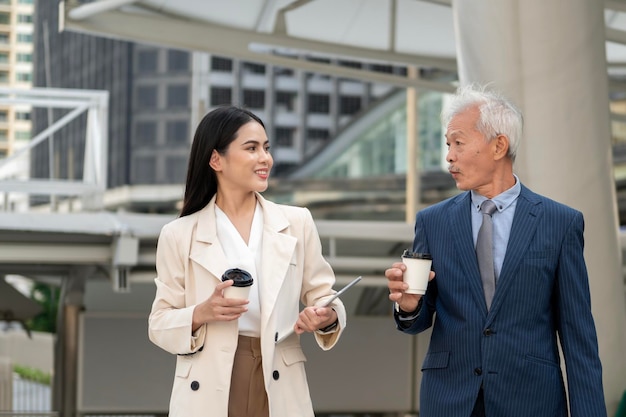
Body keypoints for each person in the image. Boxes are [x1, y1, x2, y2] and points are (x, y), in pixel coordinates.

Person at [385, 84, 607, 417]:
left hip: (532, 400)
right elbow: (418, 321)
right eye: (448, 144)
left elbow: (579, 337)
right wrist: (409, 306)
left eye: (459, 143)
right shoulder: (433, 222)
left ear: (498, 145)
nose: (449, 155)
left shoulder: (560, 223)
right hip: (450, 400)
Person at [148, 105, 346, 417]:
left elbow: (324, 295)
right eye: (251, 148)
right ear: (216, 160)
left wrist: (327, 316)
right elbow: (159, 324)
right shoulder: (178, 234)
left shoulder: (297, 222)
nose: (265, 158)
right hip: (210, 382)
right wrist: (202, 312)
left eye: (266, 148)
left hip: (278, 378)